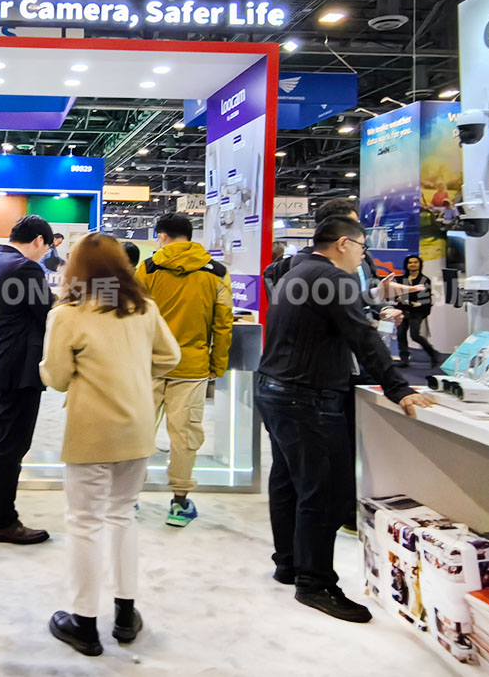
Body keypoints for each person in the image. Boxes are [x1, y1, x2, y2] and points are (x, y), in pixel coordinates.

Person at [257, 216, 433, 623]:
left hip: (277, 389)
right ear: (342, 244)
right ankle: (315, 584)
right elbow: (362, 336)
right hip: (307, 397)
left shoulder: (295, 272)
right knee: (324, 493)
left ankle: (290, 564)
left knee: (288, 482)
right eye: (361, 247)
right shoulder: (333, 278)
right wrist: (398, 387)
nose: (362, 256)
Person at [40, 233, 180, 656]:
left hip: (92, 428)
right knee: (123, 515)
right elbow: (170, 356)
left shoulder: (67, 315)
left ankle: (84, 623)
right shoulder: (145, 309)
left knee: (84, 522)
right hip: (136, 425)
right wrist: (133, 371)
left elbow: (56, 377)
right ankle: (125, 614)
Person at [135, 212, 233, 527]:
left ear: (162, 236)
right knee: (184, 435)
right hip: (192, 367)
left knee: (138, 431)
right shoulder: (217, 272)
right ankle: (179, 503)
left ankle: (128, 498)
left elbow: (133, 317)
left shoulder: (147, 268)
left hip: (149, 364)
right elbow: (224, 323)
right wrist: (217, 365)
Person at [0, 214, 55, 545]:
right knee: (11, 446)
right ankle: (3, 521)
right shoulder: (26, 268)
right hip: (18, 370)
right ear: (38, 241)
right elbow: (48, 313)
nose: (45, 254)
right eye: (46, 248)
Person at [394, 254, 441, 368]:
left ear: (420, 264)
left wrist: (410, 301)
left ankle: (433, 353)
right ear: (406, 265)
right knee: (400, 334)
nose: (413, 264)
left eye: (415, 262)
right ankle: (404, 359)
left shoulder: (424, 280)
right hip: (403, 310)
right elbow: (395, 295)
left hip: (417, 311)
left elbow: (425, 299)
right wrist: (402, 299)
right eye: (410, 262)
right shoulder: (401, 279)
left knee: (414, 335)